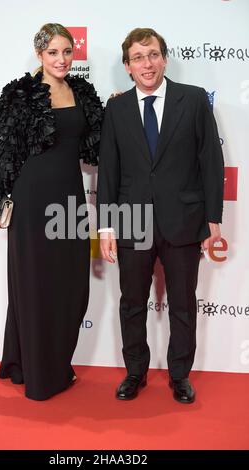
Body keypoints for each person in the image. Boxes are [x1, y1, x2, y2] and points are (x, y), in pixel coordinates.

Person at [0, 23, 103, 400]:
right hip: (32, 200)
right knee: (36, 285)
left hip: (69, 199)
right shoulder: (21, 93)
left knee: (71, 285)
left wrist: (117, 107)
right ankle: (39, 372)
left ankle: (48, 360)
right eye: (53, 53)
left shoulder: (82, 91)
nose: (61, 59)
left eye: (67, 52)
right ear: (40, 55)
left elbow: (94, 147)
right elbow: (6, 151)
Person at [97, 28, 224, 403]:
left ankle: (180, 375)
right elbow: (109, 171)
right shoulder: (116, 109)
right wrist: (105, 225)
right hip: (131, 221)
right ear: (127, 66)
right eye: (138, 57)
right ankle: (135, 372)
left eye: (152, 55)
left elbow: (210, 162)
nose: (146, 64)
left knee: (183, 304)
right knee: (131, 303)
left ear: (164, 58)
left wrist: (212, 216)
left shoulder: (194, 99)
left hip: (184, 219)